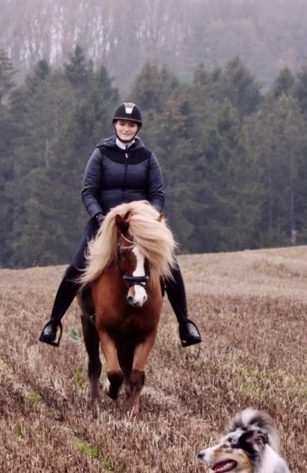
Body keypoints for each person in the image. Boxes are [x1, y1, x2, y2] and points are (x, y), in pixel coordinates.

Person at [37, 101, 202, 347]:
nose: (126, 128)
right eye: (123, 123)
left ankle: (185, 324)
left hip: (139, 228)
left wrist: (149, 219)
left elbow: (158, 193)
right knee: (76, 266)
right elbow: (88, 191)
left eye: (131, 124)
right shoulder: (100, 154)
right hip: (105, 223)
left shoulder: (148, 158)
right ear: (115, 125)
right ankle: (53, 322)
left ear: (138, 128)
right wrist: (100, 217)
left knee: (172, 267)